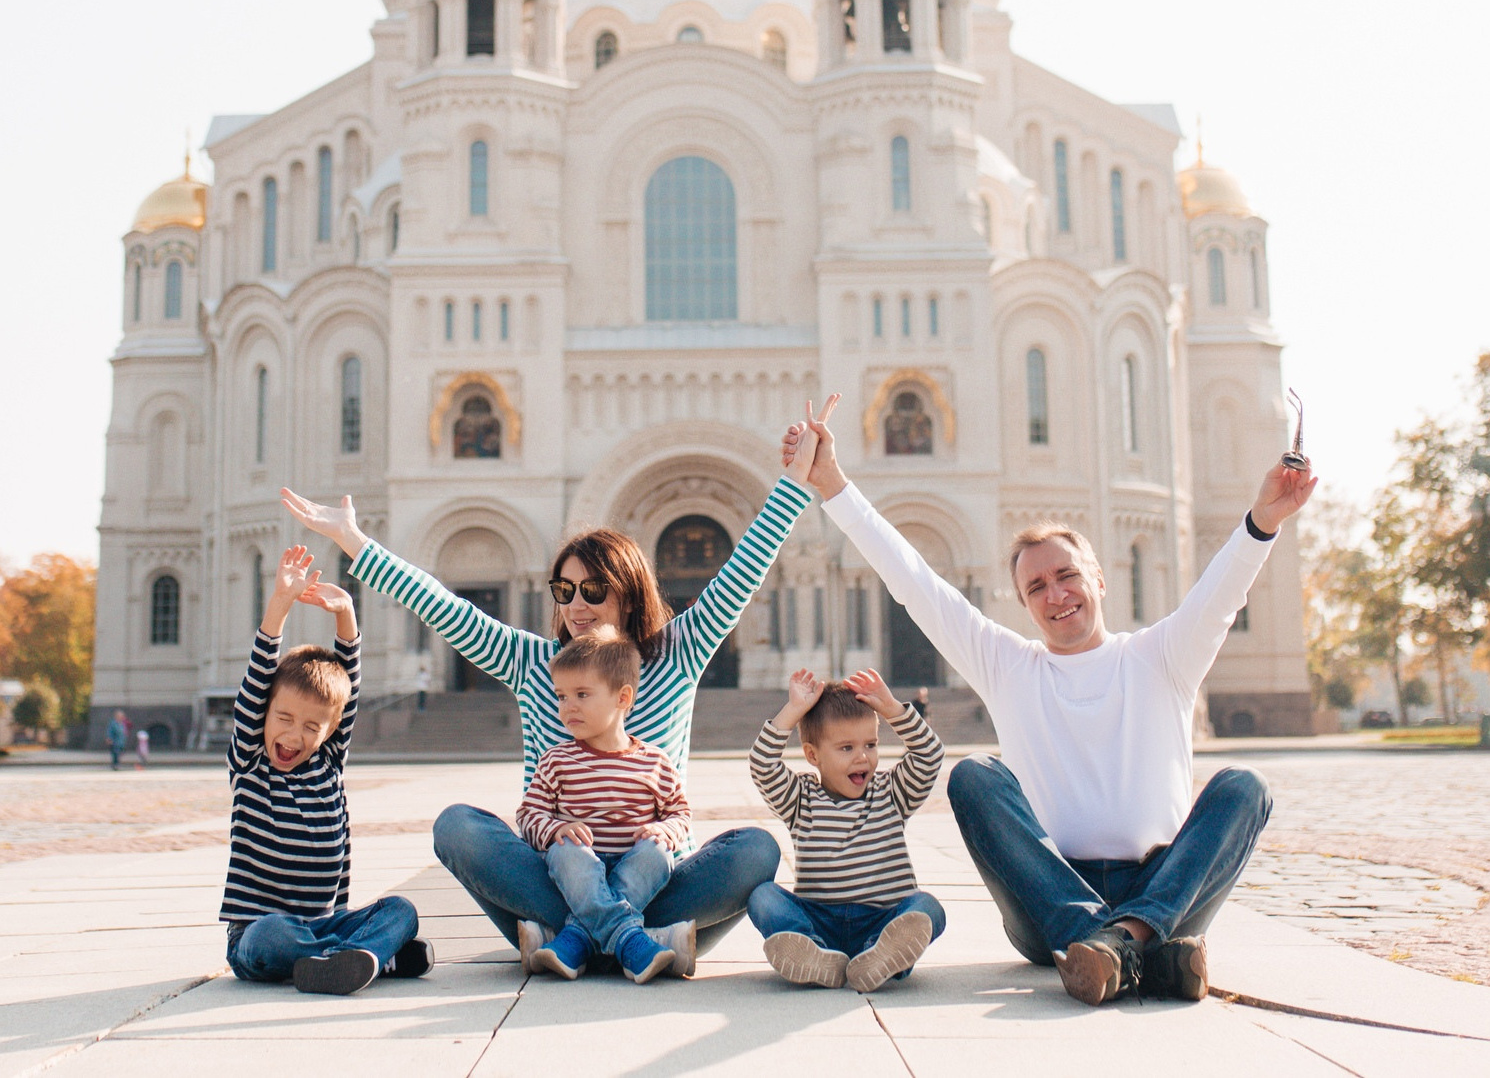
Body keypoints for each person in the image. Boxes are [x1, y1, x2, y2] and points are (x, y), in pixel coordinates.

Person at [783, 401, 1314, 1006]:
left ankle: (1121, 944)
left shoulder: (1163, 655)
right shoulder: (1009, 666)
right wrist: (832, 485)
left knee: (1245, 786)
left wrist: (1263, 519)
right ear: (1023, 603)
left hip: (1166, 886)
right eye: (1036, 586)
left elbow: (1223, 592)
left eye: (1066, 575)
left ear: (1099, 580)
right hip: (1048, 899)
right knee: (975, 775)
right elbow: (915, 583)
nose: (1055, 594)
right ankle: (1139, 949)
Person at [279, 402, 838, 959]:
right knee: (458, 827)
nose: (576, 605)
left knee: (757, 850)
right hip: (559, 873)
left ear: (629, 591)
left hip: (654, 872)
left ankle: (578, 937)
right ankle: (635, 940)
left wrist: (795, 481)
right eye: (564, 590)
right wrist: (354, 542)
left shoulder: (677, 653)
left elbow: (743, 570)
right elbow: (442, 606)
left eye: (593, 590)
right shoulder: (534, 661)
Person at [222, 544, 430, 995]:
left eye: (311, 726)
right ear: (263, 716)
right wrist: (280, 602)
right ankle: (371, 955)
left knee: (402, 909)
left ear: (328, 732)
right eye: (283, 720)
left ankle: (348, 957)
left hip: (325, 920)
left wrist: (346, 617)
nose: (294, 737)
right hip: (259, 931)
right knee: (272, 936)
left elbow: (347, 693)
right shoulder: (251, 761)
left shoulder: (329, 762)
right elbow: (258, 679)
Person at [748, 667, 945, 992]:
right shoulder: (799, 798)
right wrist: (794, 710)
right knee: (762, 896)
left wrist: (892, 708)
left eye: (870, 745)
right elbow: (762, 764)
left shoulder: (892, 792)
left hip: (884, 921)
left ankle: (880, 955)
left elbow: (929, 755)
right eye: (846, 748)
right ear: (813, 755)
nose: (863, 758)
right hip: (819, 919)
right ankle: (810, 951)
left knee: (927, 907)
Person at [515, 626, 693, 985]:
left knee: (656, 855)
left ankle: (576, 938)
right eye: (561, 696)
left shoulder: (654, 762)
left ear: (622, 698)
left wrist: (664, 831)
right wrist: (556, 830)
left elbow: (680, 813)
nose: (568, 707)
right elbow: (528, 815)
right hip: (579, 869)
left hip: (633, 869)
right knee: (568, 854)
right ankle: (631, 941)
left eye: (582, 694)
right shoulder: (556, 761)